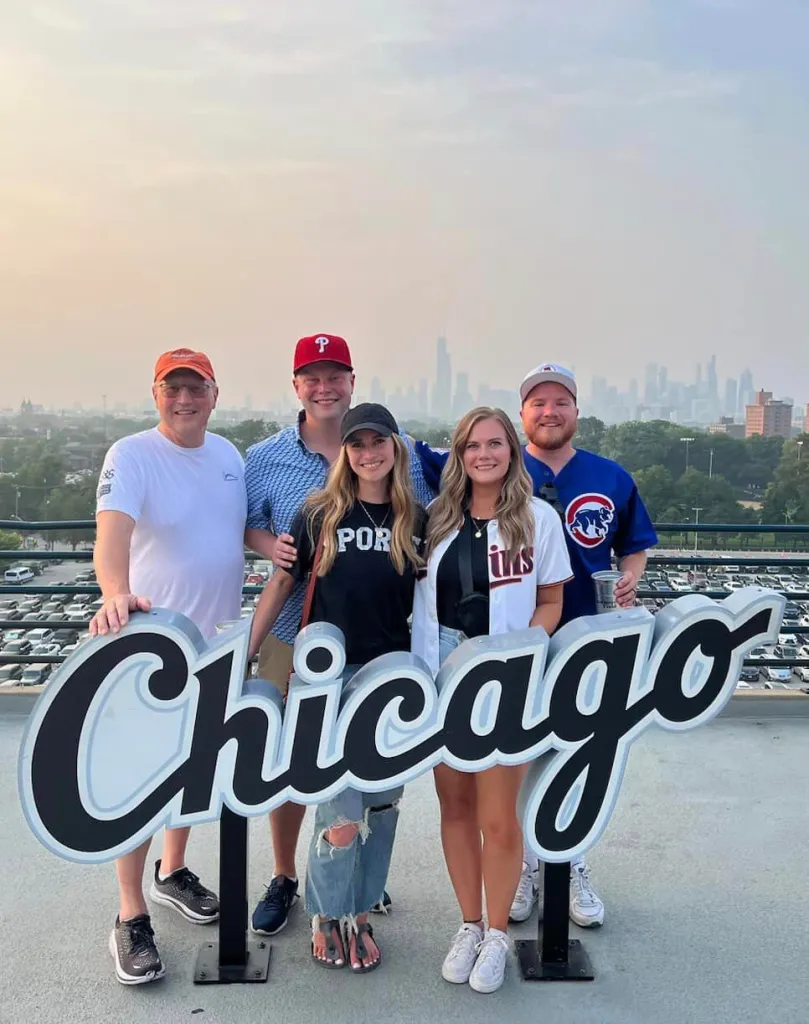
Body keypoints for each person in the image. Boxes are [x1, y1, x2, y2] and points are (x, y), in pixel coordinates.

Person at [415, 363, 658, 929]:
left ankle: (568, 861)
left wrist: (630, 576)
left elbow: (635, 543)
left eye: (560, 402)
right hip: (488, 657)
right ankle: (521, 871)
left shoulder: (605, 478)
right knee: (496, 786)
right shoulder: (444, 511)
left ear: (576, 410)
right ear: (523, 414)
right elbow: (394, 453)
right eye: (537, 403)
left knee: (572, 762)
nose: (549, 412)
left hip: (571, 644)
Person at [244, 334, 433, 937]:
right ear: (298, 385)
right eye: (359, 444)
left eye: (380, 442)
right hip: (314, 660)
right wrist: (239, 658)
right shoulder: (312, 504)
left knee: (380, 793)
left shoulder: (415, 513)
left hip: (391, 669)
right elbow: (273, 573)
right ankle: (320, 904)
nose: (369, 452)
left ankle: (365, 893)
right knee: (324, 790)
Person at [89, 348, 247, 985]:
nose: (184, 398)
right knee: (138, 782)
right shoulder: (132, 454)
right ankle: (130, 915)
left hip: (213, 645)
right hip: (150, 648)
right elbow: (112, 534)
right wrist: (113, 592)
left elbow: (231, 534)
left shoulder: (230, 457)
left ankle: (171, 872)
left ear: (215, 394)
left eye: (196, 388)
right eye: (172, 387)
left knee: (193, 770)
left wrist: (275, 547)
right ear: (156, 393)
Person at [411, 406, 572, 994]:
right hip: (444, 678)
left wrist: (526, 653)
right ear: (458, 453)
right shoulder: (433, 518)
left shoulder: (538, 519)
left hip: (506, 679)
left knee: (497, 815)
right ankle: (469, 924)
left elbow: (551, 601)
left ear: (512, 451)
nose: (484, 454)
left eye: (496, 443)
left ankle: (499, 932)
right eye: (472, 445)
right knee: (453, 806)